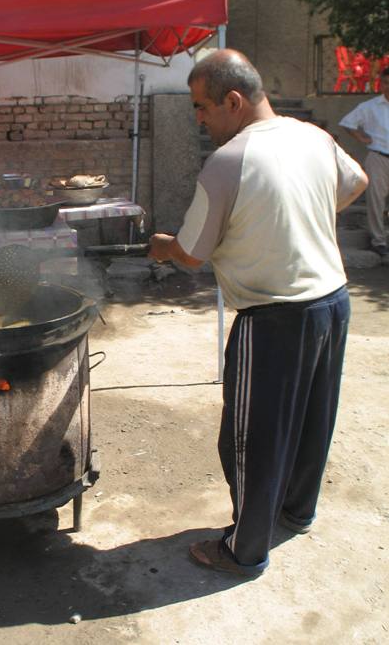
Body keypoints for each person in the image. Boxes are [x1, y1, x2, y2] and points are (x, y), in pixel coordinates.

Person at [149, 50, 368, 577]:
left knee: (250, 439)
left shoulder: (228, 161)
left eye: (202, 108)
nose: (200, 119)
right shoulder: (312, 136)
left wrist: (163, 247)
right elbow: (356, 182)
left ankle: (243, 550)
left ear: (233, 100)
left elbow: (193, 254)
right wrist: (299, 214)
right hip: (332, 304)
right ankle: (296, 512)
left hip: (273, 318)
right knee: (312, 419)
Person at [339, 66, 389, 256]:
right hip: (379, 157)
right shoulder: (370, 107)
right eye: (385, 82)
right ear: (381, 83)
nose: (388, 86)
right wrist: (360, 137)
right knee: (376, 200)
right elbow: (347, 122)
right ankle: (378, 240)